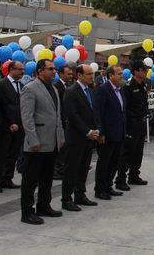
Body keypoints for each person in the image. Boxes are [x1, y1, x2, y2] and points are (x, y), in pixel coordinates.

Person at [20, 59, 65, 225]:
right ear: (39, 71)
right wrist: (33, 140)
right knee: (31, 179)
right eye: (50, 69)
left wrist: (60, 137)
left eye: (54, 69)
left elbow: (57, 115)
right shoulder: (30, 88)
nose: (54, 71)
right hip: (37, 143)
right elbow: (27, 117)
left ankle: (44, 205)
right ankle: (27, 211)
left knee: (47, 177)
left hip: (51, 140)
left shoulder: (53, 88)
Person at [61, 64, 100, 212]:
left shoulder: (91, 91)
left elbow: (93, 111)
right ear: (79, 75)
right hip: (76, 136)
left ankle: (80, 194)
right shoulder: (71, 91)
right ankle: (66, 198)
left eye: (92, 74)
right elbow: (72, 115)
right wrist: (87, 131)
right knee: (72, 168)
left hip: (89, 137)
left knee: (84, 167)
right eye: (88, 74)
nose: (91, 76)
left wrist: (96, 129)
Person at [0, 60, 24, 193]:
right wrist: (9, 123)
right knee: (1, 155)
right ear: (11, 70)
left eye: (23, 69)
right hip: (5, 127)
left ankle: (7, 178)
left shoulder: (21, 85)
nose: (22, 72)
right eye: (19, 69)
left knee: (13, 153)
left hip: (19, 126)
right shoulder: (1, 85)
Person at [93, 65, 126, 200]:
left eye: (122, 74)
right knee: (104, 162)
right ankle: (99, 189)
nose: (121, 77)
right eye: (119, 74)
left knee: (114, 162)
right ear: (111, 75)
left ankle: (108, 186)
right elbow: (98, 112)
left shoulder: (121, 90)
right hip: (107, 133)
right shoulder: (103, 90)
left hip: (119, 132)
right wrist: (101, 132)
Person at [116, 60, 149, 190]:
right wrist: (132, 119)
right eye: (143, 70)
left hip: (141, 122)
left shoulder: (143, 86)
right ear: (136, 71)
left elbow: (143, 103)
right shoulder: (128, 86)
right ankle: (120, 179)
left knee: (138, 151)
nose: (145, 72)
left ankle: (134, 175)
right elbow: (125, 107)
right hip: (132, 123)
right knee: (127, 152)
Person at [53, 64, 74, 180]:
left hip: (68, 122)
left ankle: (62, 168)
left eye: (71, 74)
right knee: (60, 148)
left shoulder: (70, 86)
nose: (70, 76)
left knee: (65, 147)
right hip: (61, 121)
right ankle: (57, 169)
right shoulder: (57, 86)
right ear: (61, 74)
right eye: (68, 74)